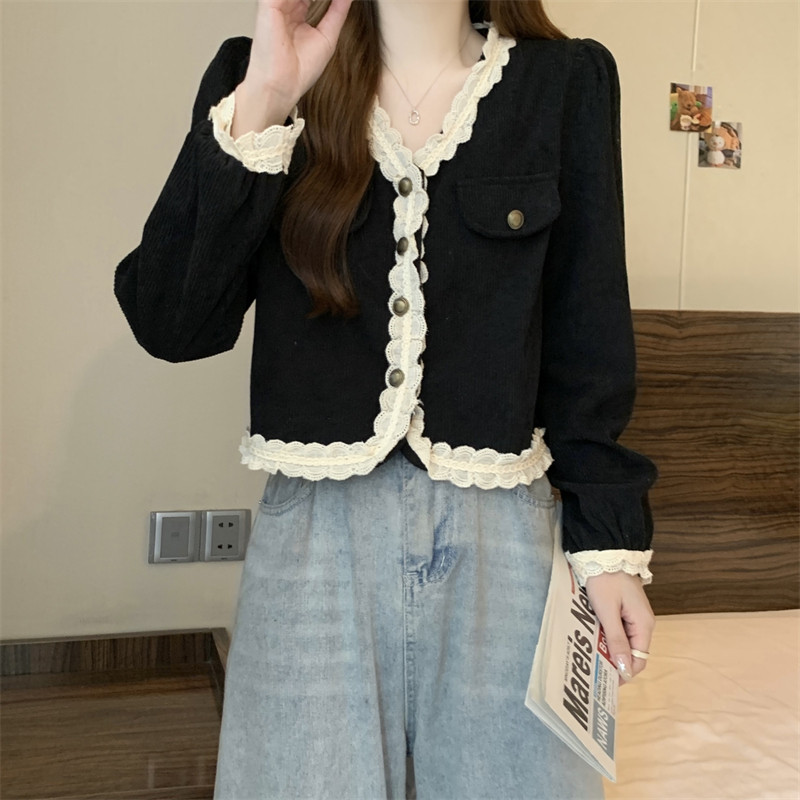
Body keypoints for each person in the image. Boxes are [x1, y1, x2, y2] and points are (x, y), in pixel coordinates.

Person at [114, 0, 658, 797]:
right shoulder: (256, 74)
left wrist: (607, 548)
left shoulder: (567, 82)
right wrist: (267, 97)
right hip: (315, 545)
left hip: (504, 540)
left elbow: (590, 331)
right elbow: (171, 323)